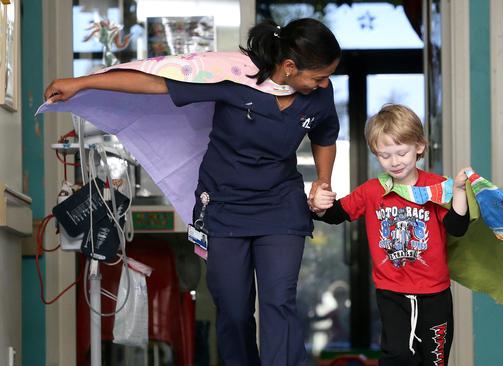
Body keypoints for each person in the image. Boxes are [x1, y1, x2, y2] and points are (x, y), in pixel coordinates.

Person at [45, 18, 341, 365]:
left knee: (279, 302)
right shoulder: (232, 77)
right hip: (223, 206)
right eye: (318, 76)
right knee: (233, 310)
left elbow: (325, 135)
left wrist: (323, 180)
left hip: (280, 206)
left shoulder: (319, 96)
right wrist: (81, 83)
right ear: (289, 67)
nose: (324, 83)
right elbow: (155, 82)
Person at [311, 104, 471, 365]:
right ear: (375, 153)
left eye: (401, 152)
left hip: (434, 293)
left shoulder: (437, 187)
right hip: (392, 292)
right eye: (385, 155)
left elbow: (457, 228)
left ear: (419, 146)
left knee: (434, 360)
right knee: (397, 356)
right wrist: (319, 204)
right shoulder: (372, 191)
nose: (394, 162)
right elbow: (336, 214)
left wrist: (460, 192)